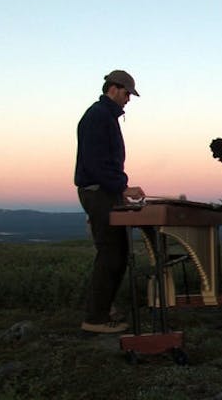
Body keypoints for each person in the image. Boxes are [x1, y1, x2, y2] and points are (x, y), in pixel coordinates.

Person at [74, 70, 146, 333]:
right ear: (114, 89)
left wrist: (119, 188)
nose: (129, 99)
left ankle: (104, 308)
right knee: (111, 253)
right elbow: (96, 163)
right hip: (100, 192)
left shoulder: (105, 116)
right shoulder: (98, 116)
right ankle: (95, 319)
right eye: (127, 93)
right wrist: (122, 187)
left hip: (106, 191)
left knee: (118, 252)